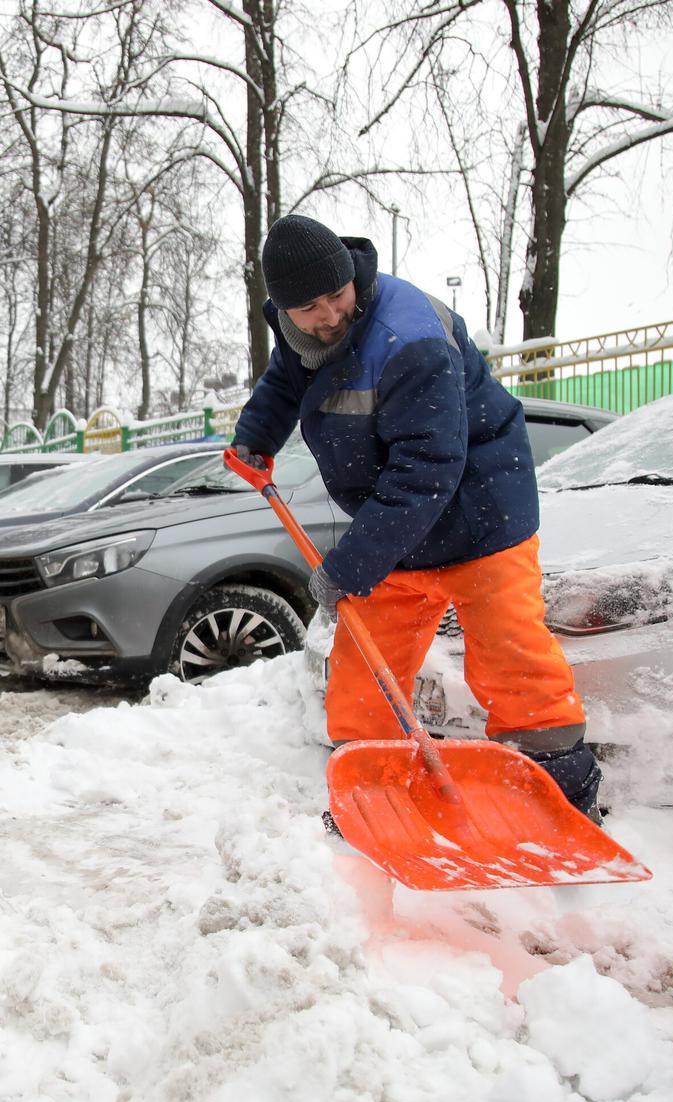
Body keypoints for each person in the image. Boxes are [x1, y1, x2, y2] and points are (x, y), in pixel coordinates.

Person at [230, 214, 602, 821]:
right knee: (364, 670)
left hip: (480, 516)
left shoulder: (411, 339)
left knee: (512, 659)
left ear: (353, 277)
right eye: (308, 309)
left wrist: (348, 566)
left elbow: (427, 472)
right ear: (283, 308)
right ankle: (373, 790)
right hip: (398, 526)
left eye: (337, 296)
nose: (328, 316)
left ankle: (556, 790)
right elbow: (287, 377)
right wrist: (255, 437)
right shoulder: (301, 325)